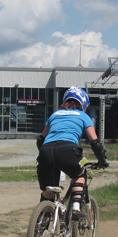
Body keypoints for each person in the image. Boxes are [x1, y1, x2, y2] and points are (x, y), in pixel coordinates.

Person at [36, 86, 109, 218]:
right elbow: (95, 143)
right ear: (83, 104)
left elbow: (41, 140)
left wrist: (43, 156)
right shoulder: (84, 116)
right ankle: (75, 208)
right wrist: (102, 160)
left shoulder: (54, 114)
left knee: (48, 192)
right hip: (68, 150)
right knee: (79, 175)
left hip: (46, 151)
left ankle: (41, 228)